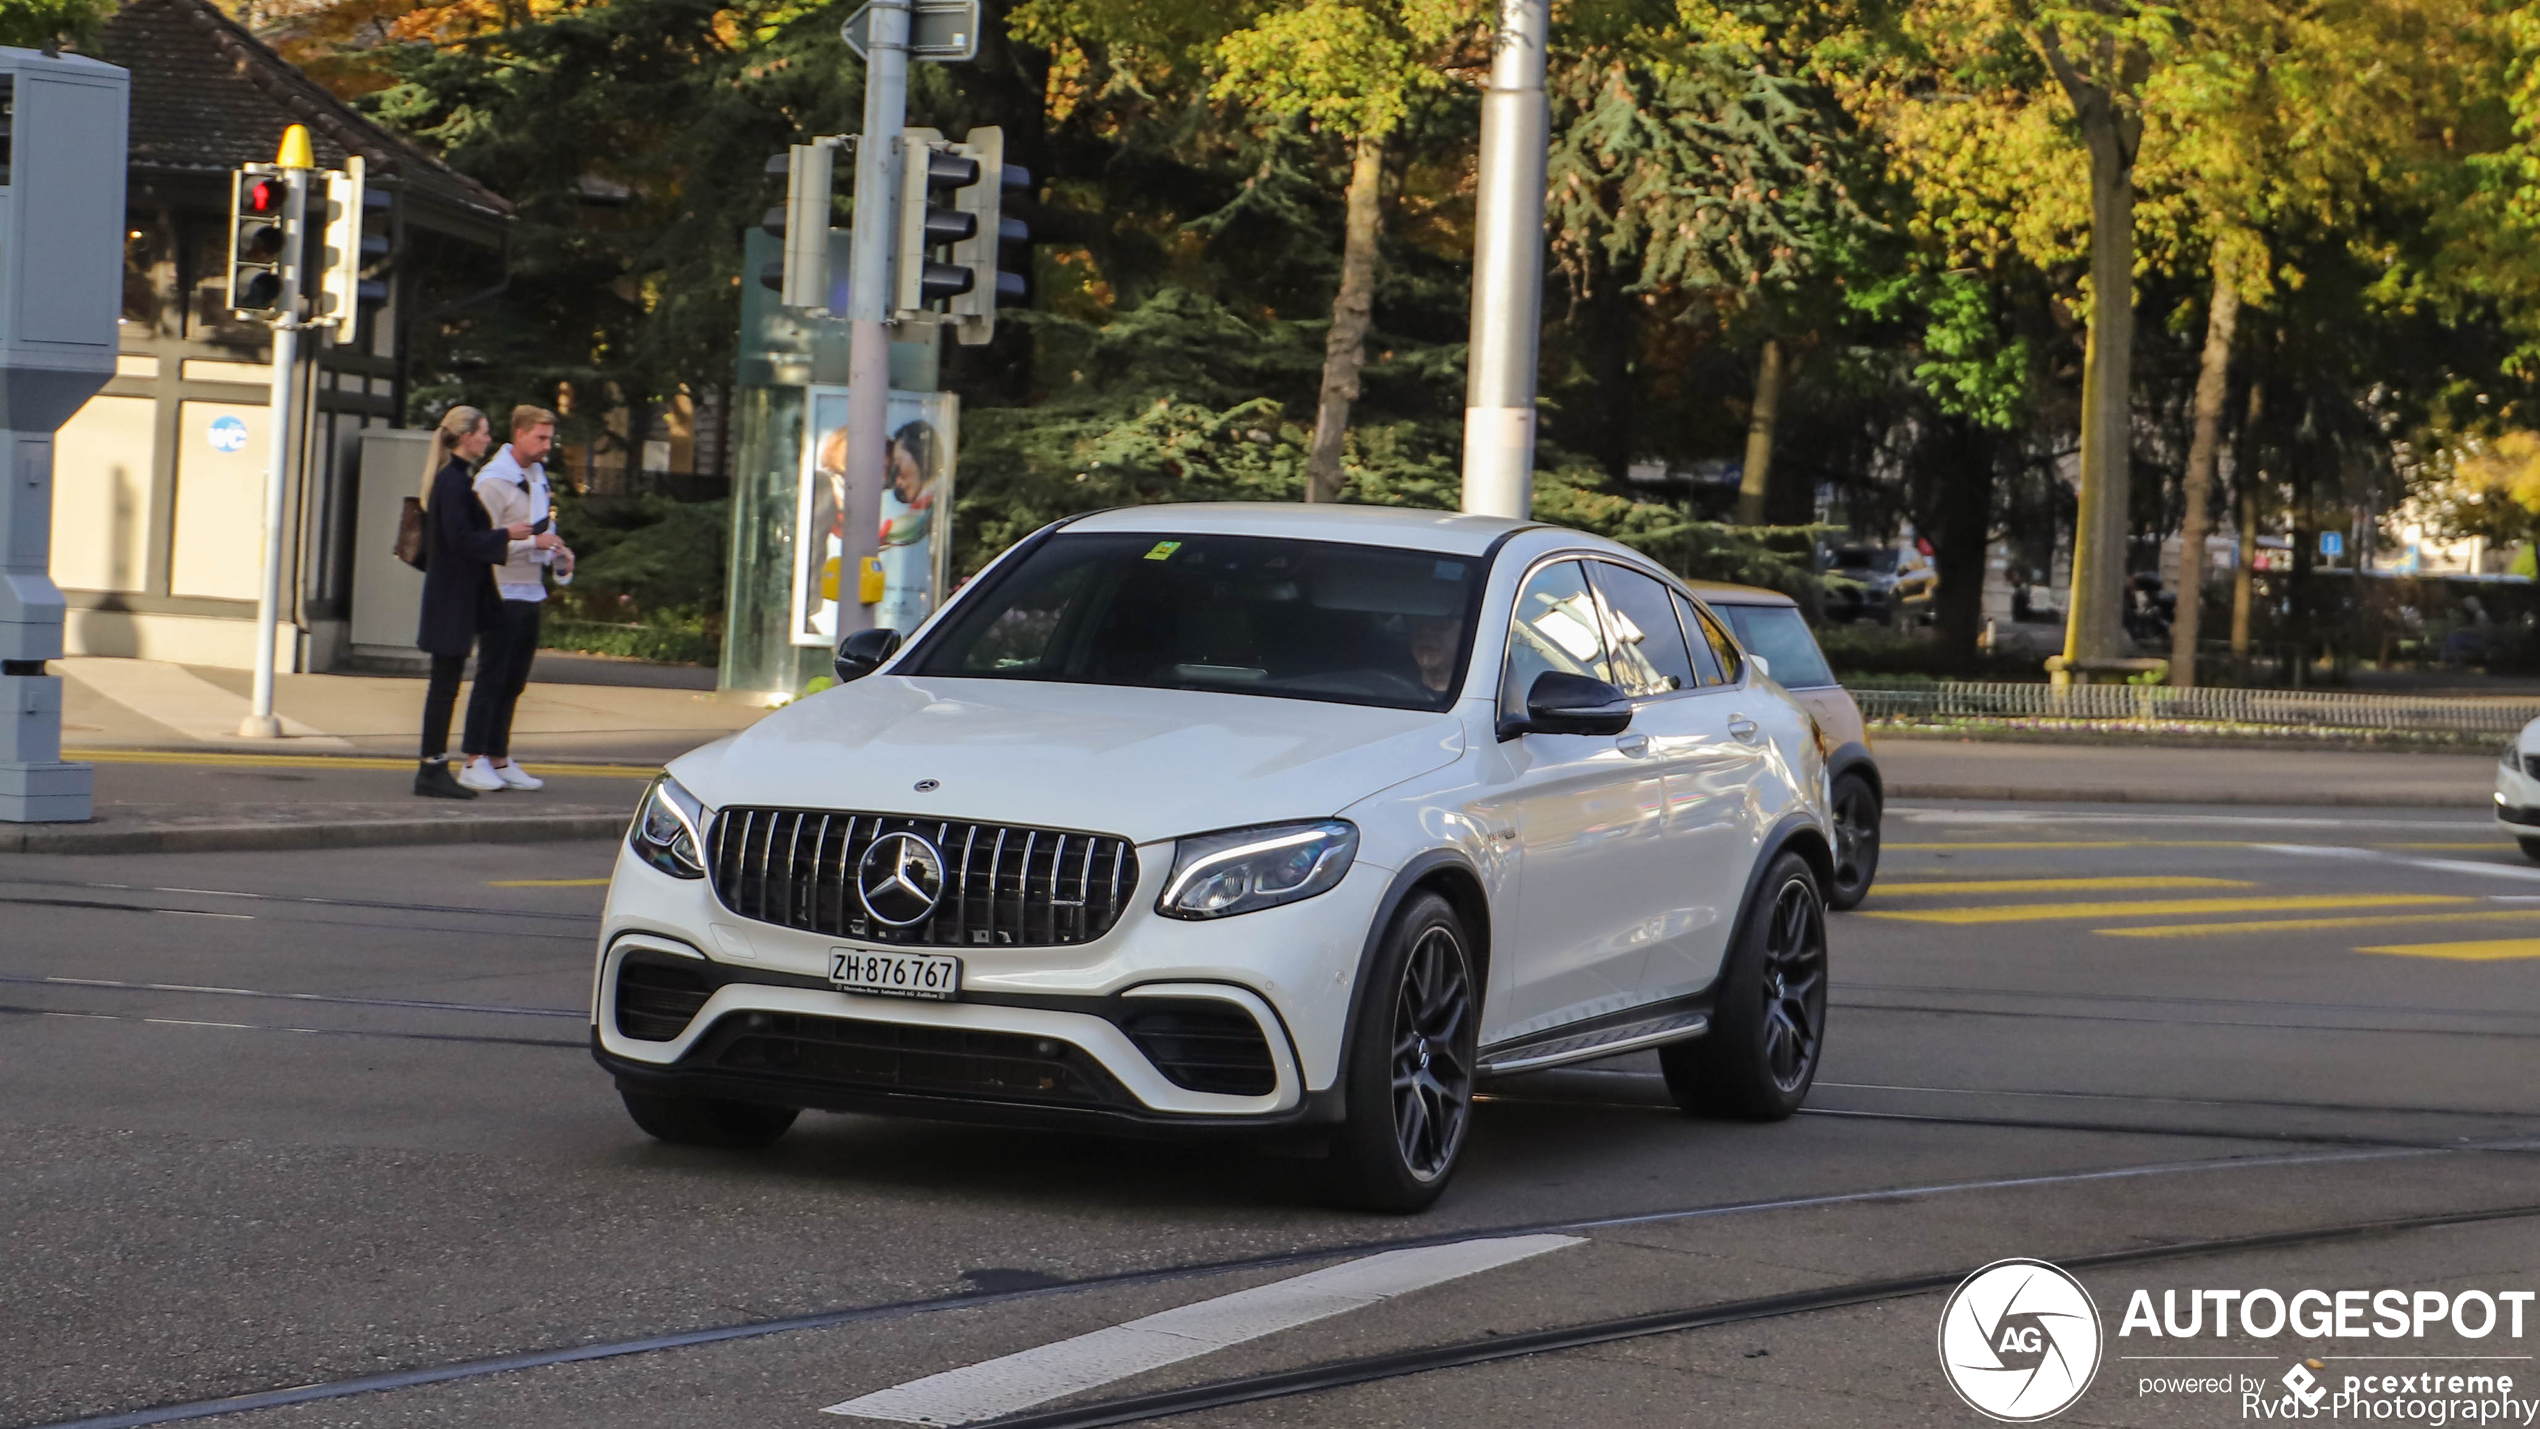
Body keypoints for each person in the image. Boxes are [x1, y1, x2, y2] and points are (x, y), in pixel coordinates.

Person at [414, 407, 553, 799]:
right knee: (445, 686)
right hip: (452, 596)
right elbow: (461, 541)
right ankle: (433, 767)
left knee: (451, 684)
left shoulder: (457, 479)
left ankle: (440, 764)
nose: (489, 440)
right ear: (465, 437)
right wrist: (505, 534)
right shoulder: (454, 482)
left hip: (455, 595)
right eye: (484, 433)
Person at [458, 405, 574, 792]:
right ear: (520, 434)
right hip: (499, 590)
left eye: (549, 438)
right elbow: (479, 542)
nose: (547, 446)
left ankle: (498, 757)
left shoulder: (538, 476)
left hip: (529, 591)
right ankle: (473, 758)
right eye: (540, 438)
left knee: (513, 680)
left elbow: (542, 527)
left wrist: (556, 550)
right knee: (491, 677)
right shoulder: (493, 481)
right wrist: (531, 542)